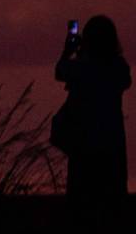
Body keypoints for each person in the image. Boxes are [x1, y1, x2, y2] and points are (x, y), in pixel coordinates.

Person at [54, 14, 130, 197]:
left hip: (84, 146)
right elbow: (124, 80)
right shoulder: (118, 67)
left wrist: (68, 51)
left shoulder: (81, 68)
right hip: (112, 146)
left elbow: (60, 71)